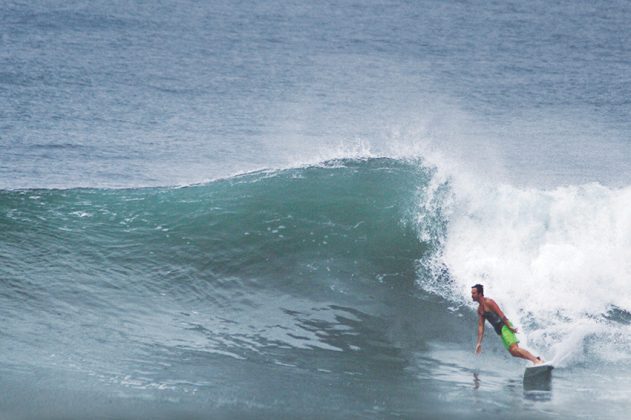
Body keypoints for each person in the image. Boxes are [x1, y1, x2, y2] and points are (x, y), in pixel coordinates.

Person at [471, 284, 543, 365]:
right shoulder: (480, 310)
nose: (472, 295)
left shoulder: (489, 302)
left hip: (504, 326)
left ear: (479, 294)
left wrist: (509, 326)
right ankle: (536, 359)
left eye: (474, 293)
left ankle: (536, 361)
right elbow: (481, 326)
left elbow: (501, 314)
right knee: (513, 353)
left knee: (515, 349)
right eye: (472, 293)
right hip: (500, 331)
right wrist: (478, 343)